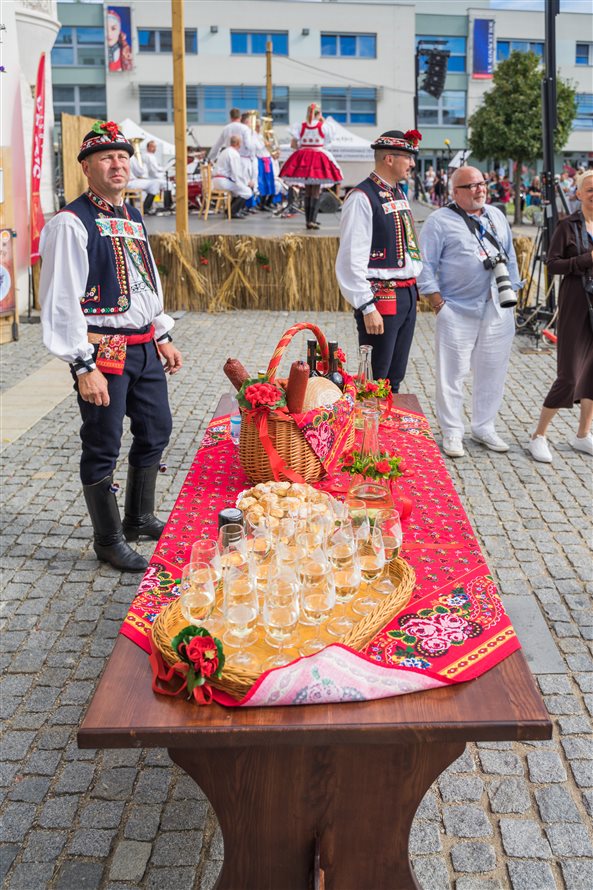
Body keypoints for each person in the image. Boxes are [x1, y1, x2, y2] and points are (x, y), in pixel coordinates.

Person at [39, 120, 182, 572]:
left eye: (122, 157)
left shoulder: (132, 215)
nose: (117, 165)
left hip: (143, 344)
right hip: (104, 350)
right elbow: (61, 300)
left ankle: (138, 518)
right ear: (87, 167)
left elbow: (145, 279)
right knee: (103, 442)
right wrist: (83, 366)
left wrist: (161, 332)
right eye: (106, 158)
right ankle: (107, 539)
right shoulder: (70, 223)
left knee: (157, 428)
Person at [417, 165, 521, 458]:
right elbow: (425, 266)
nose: (480, 189)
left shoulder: (496, 215)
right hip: (457, 308)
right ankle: (452, 431)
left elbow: (511, 258)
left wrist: (512, 292)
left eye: (482, 183)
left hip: (497, 308)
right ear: (455, 192)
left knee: (493, 371)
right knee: (452, 374)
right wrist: (439, 305)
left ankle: (484, 426)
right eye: (472, 185)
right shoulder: (439, 221)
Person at [335, 129, 423, 392]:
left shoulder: (398, 193)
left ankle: (389, 417)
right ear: (389, 159)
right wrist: (367, 306)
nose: (412, 164)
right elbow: (351, 258)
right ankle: (371, 419)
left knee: (395, 377)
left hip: (407, 293)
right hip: (381, 296)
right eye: (408, 157)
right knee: (376, 378)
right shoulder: (362, 197)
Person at [528, 169, 593, 462]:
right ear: (577, 193)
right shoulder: (568, 225)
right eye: (589, 189)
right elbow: (552, 264)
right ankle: (538, 435)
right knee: (568, 375)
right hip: (576, 302)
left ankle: (583, 434)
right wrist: (586, 260)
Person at [279, 103, 343, 230]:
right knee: (315, 191)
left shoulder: (301, 126)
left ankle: (308, 220)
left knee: (308, 190)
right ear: (319, 114)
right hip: (318, 156)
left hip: (304, 157)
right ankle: (312, 220)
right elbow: (328, 141)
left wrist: (303, 146)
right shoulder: (323, 126)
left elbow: (294, 144)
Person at [212, 135, 254, 218]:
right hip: (223, 181)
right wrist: (246, 182)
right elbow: (237, 172)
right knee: (247, 192)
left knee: (238, 192)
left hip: (217, 180)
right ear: (238, 143)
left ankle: (230, 210)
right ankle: (233, 212)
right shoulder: (233, 153)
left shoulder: (225, 151)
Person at [127, 150, 167, 216]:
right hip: (130, 182)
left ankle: (142, 207)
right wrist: (142, 165)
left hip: (126, 182)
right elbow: (139, 172)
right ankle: (146, 208)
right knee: (155, 184)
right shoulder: (131, 158)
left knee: (153, 183)